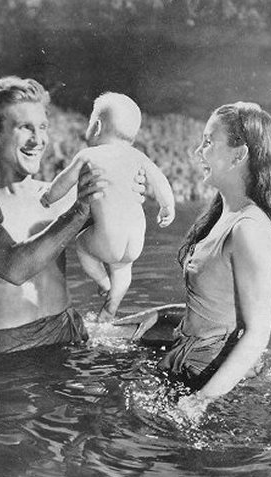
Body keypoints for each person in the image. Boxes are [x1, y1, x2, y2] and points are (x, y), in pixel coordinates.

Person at [0, 76, 145, 359]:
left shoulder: (54, 195)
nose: (38, 140)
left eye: (42, 127)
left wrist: (127, 196)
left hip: (70, 332)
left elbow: (112, 228)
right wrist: (78, 211)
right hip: (12, 353)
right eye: (25, 127)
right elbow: (14, 268)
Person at [135, 101, 271, 415]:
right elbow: (217, 308)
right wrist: (158, 317)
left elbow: (257, 334)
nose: (198, 152)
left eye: (208, 142)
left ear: (239, 155)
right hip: (189, 360)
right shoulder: (223, 215)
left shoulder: (249, 229)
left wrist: (202, 401)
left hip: (211, 379)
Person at [40, 93, 175, 322]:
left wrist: (48, 197)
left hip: (107, 237)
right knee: (123, 268)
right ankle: (111, 308)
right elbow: (160, 180)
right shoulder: (138, 156)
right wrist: (167, 206)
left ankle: (103, 283)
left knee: (82, 245)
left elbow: (63, 182)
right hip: (135, 241)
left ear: (98, 126)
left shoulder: (88, 155)